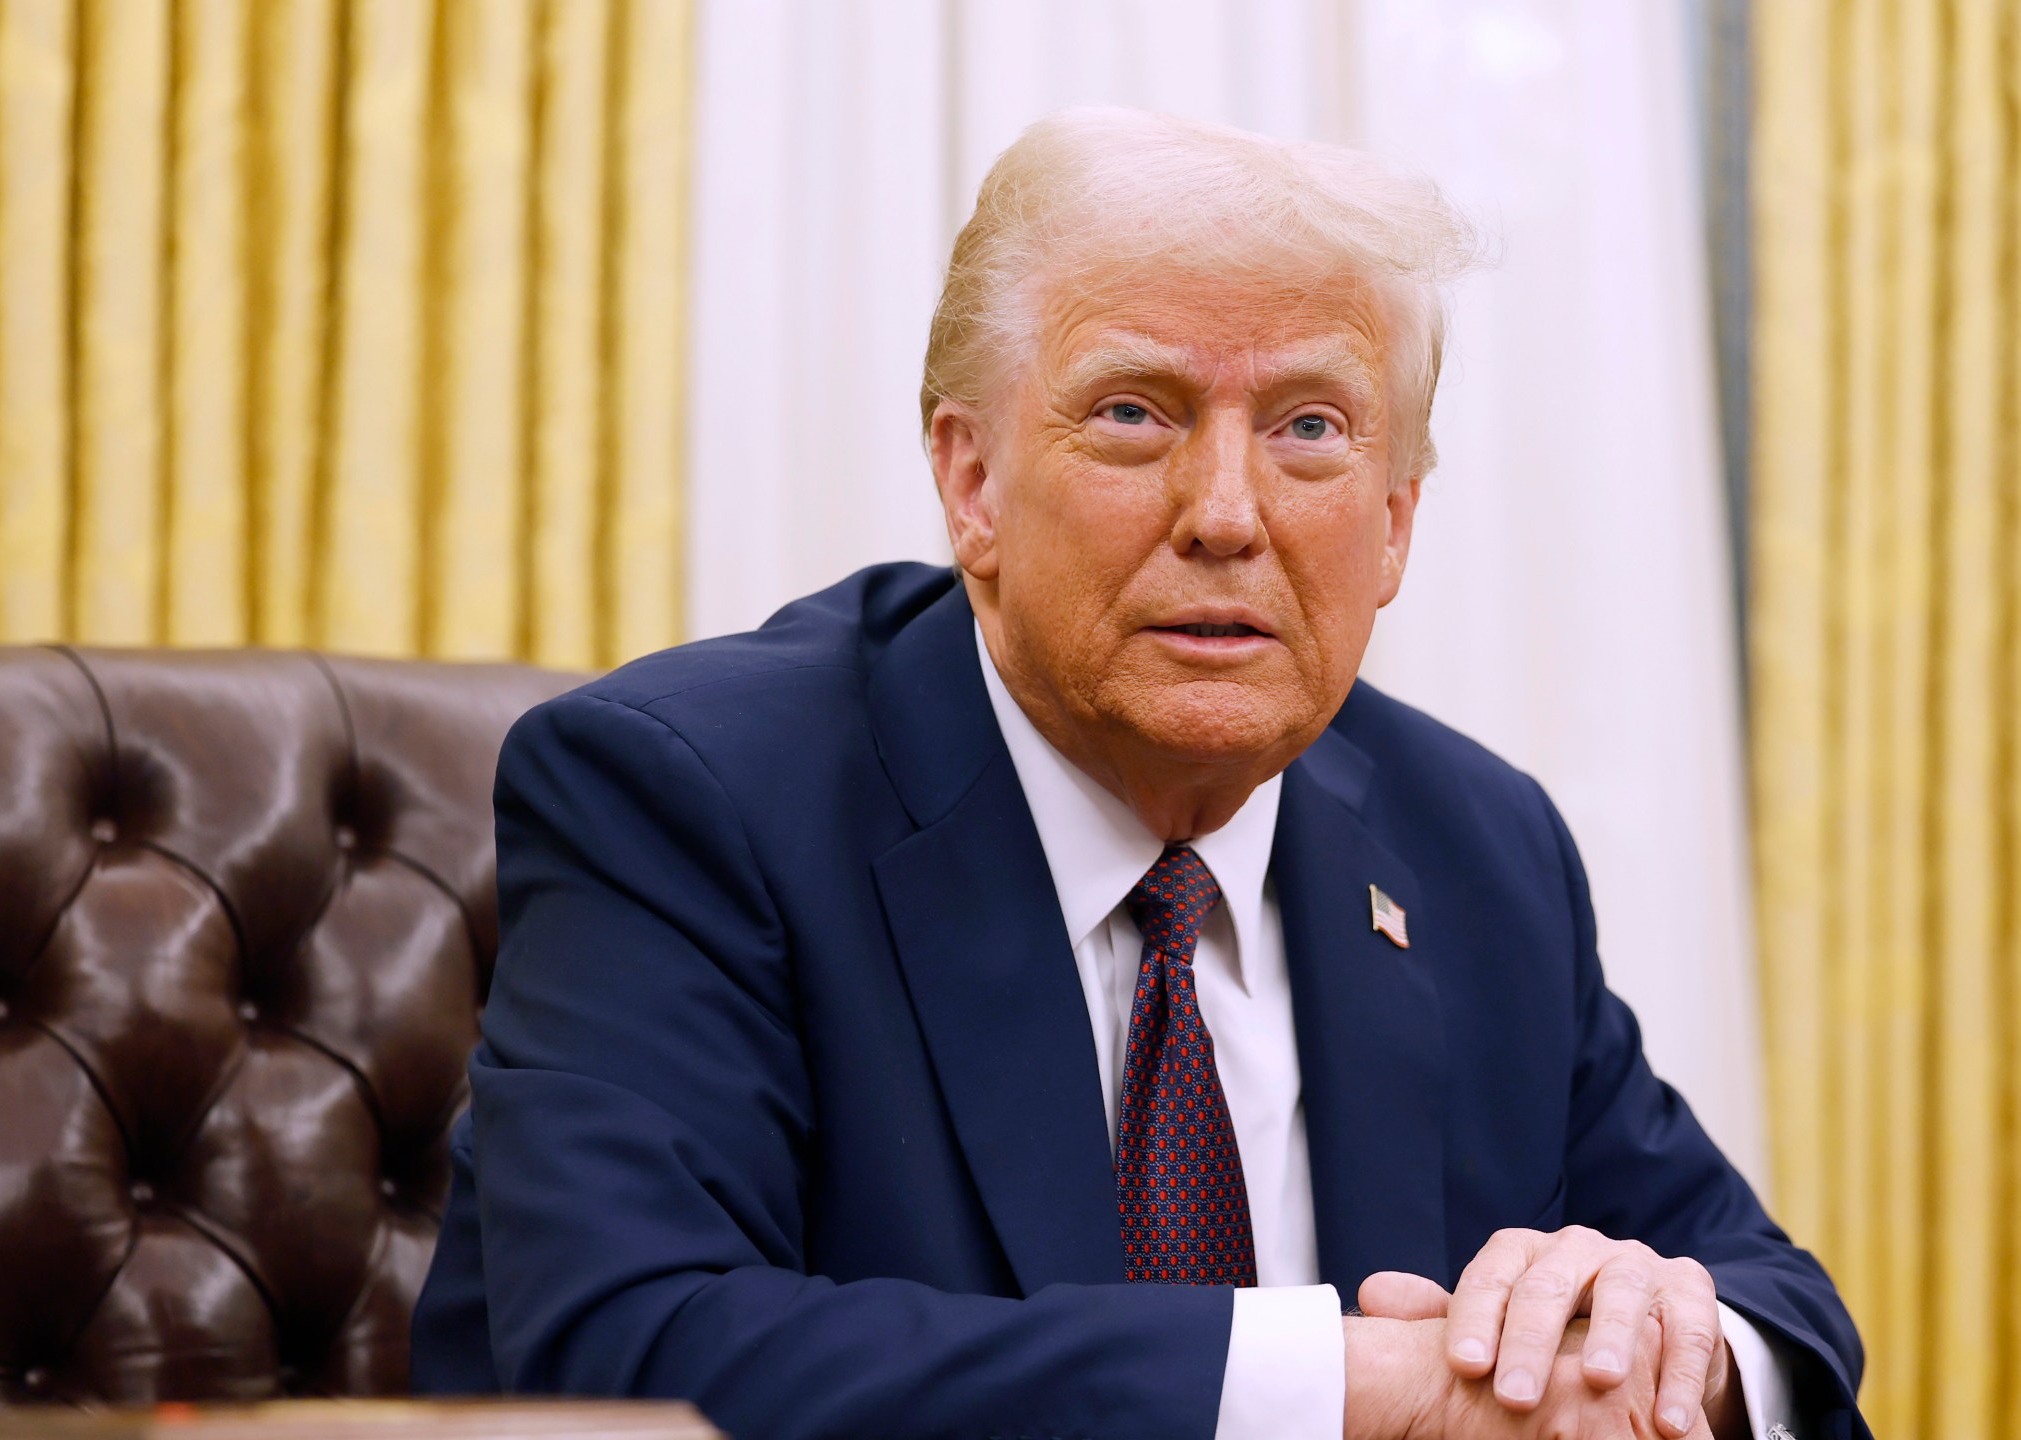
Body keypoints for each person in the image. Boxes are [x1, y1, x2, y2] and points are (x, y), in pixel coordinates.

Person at [412, 107, 1865, 1440]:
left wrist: (1658, 1350)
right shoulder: (690, 798)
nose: (1227, 514)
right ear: (971, 481)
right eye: (1134, 413)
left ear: (1398, 521)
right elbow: (616, 1355)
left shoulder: (1475, 847)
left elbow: (1777, 1310)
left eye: (1310, 428)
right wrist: (1347, 1385)